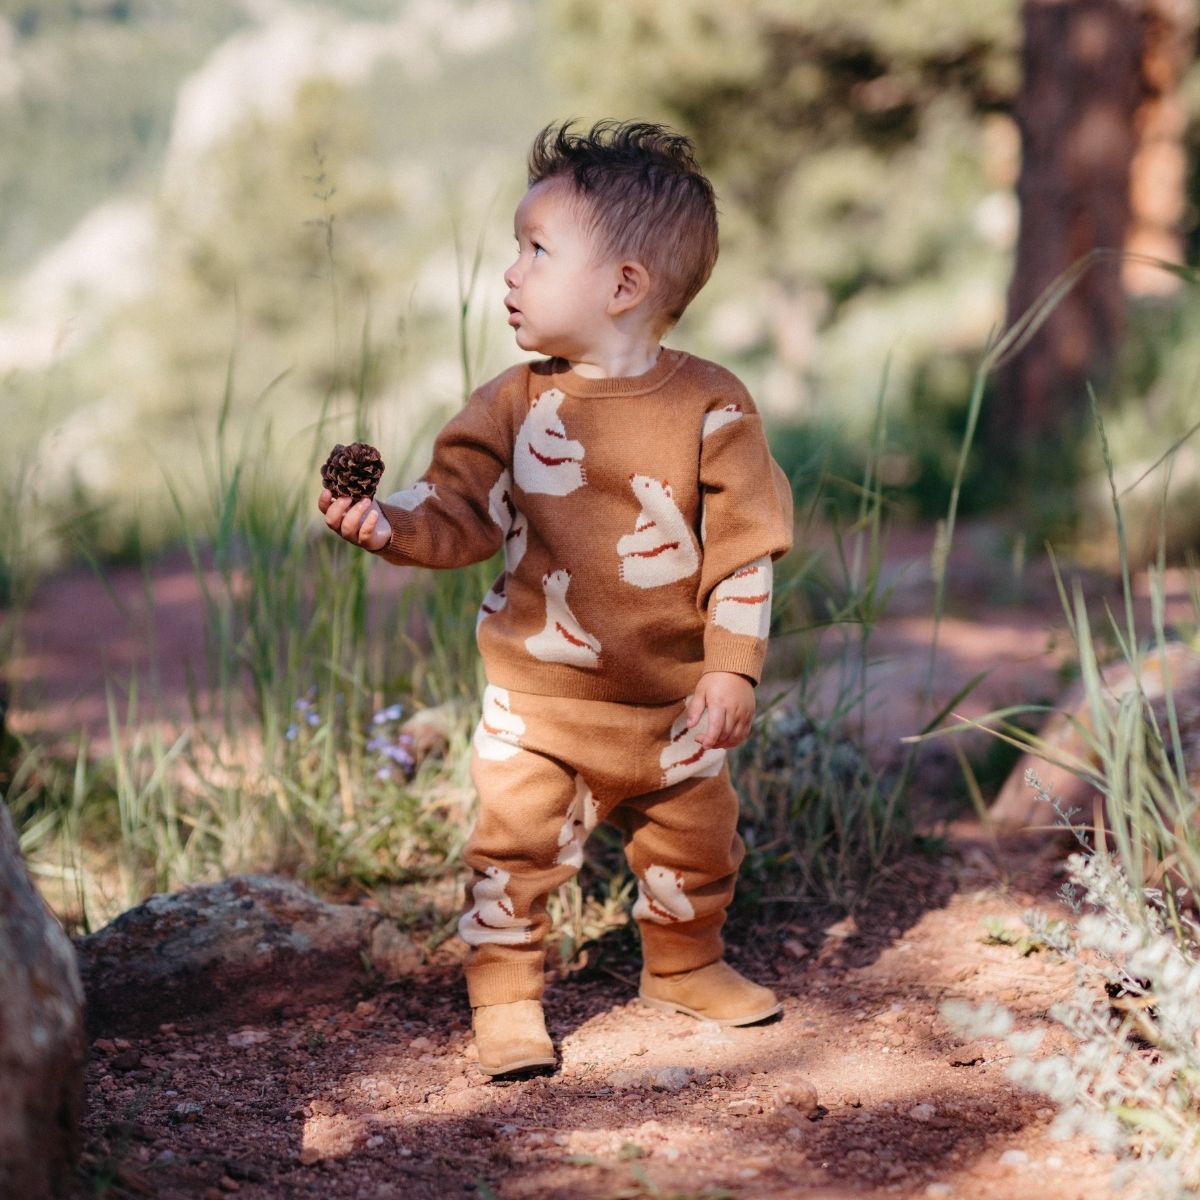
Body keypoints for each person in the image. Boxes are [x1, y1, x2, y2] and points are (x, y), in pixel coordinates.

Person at [320, 120, 794, 1076]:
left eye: (537, 250)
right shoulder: (510, 403)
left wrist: (734, 667)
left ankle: (685, 963)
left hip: (672, 708)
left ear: (624, 286)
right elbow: (457, 505)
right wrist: (390, 525)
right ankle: (505, 1002)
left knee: (699, 845)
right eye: (514, 248)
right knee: (515, 854)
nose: (510, 272)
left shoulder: (714, 406)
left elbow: (743, 554)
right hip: (539, 707)